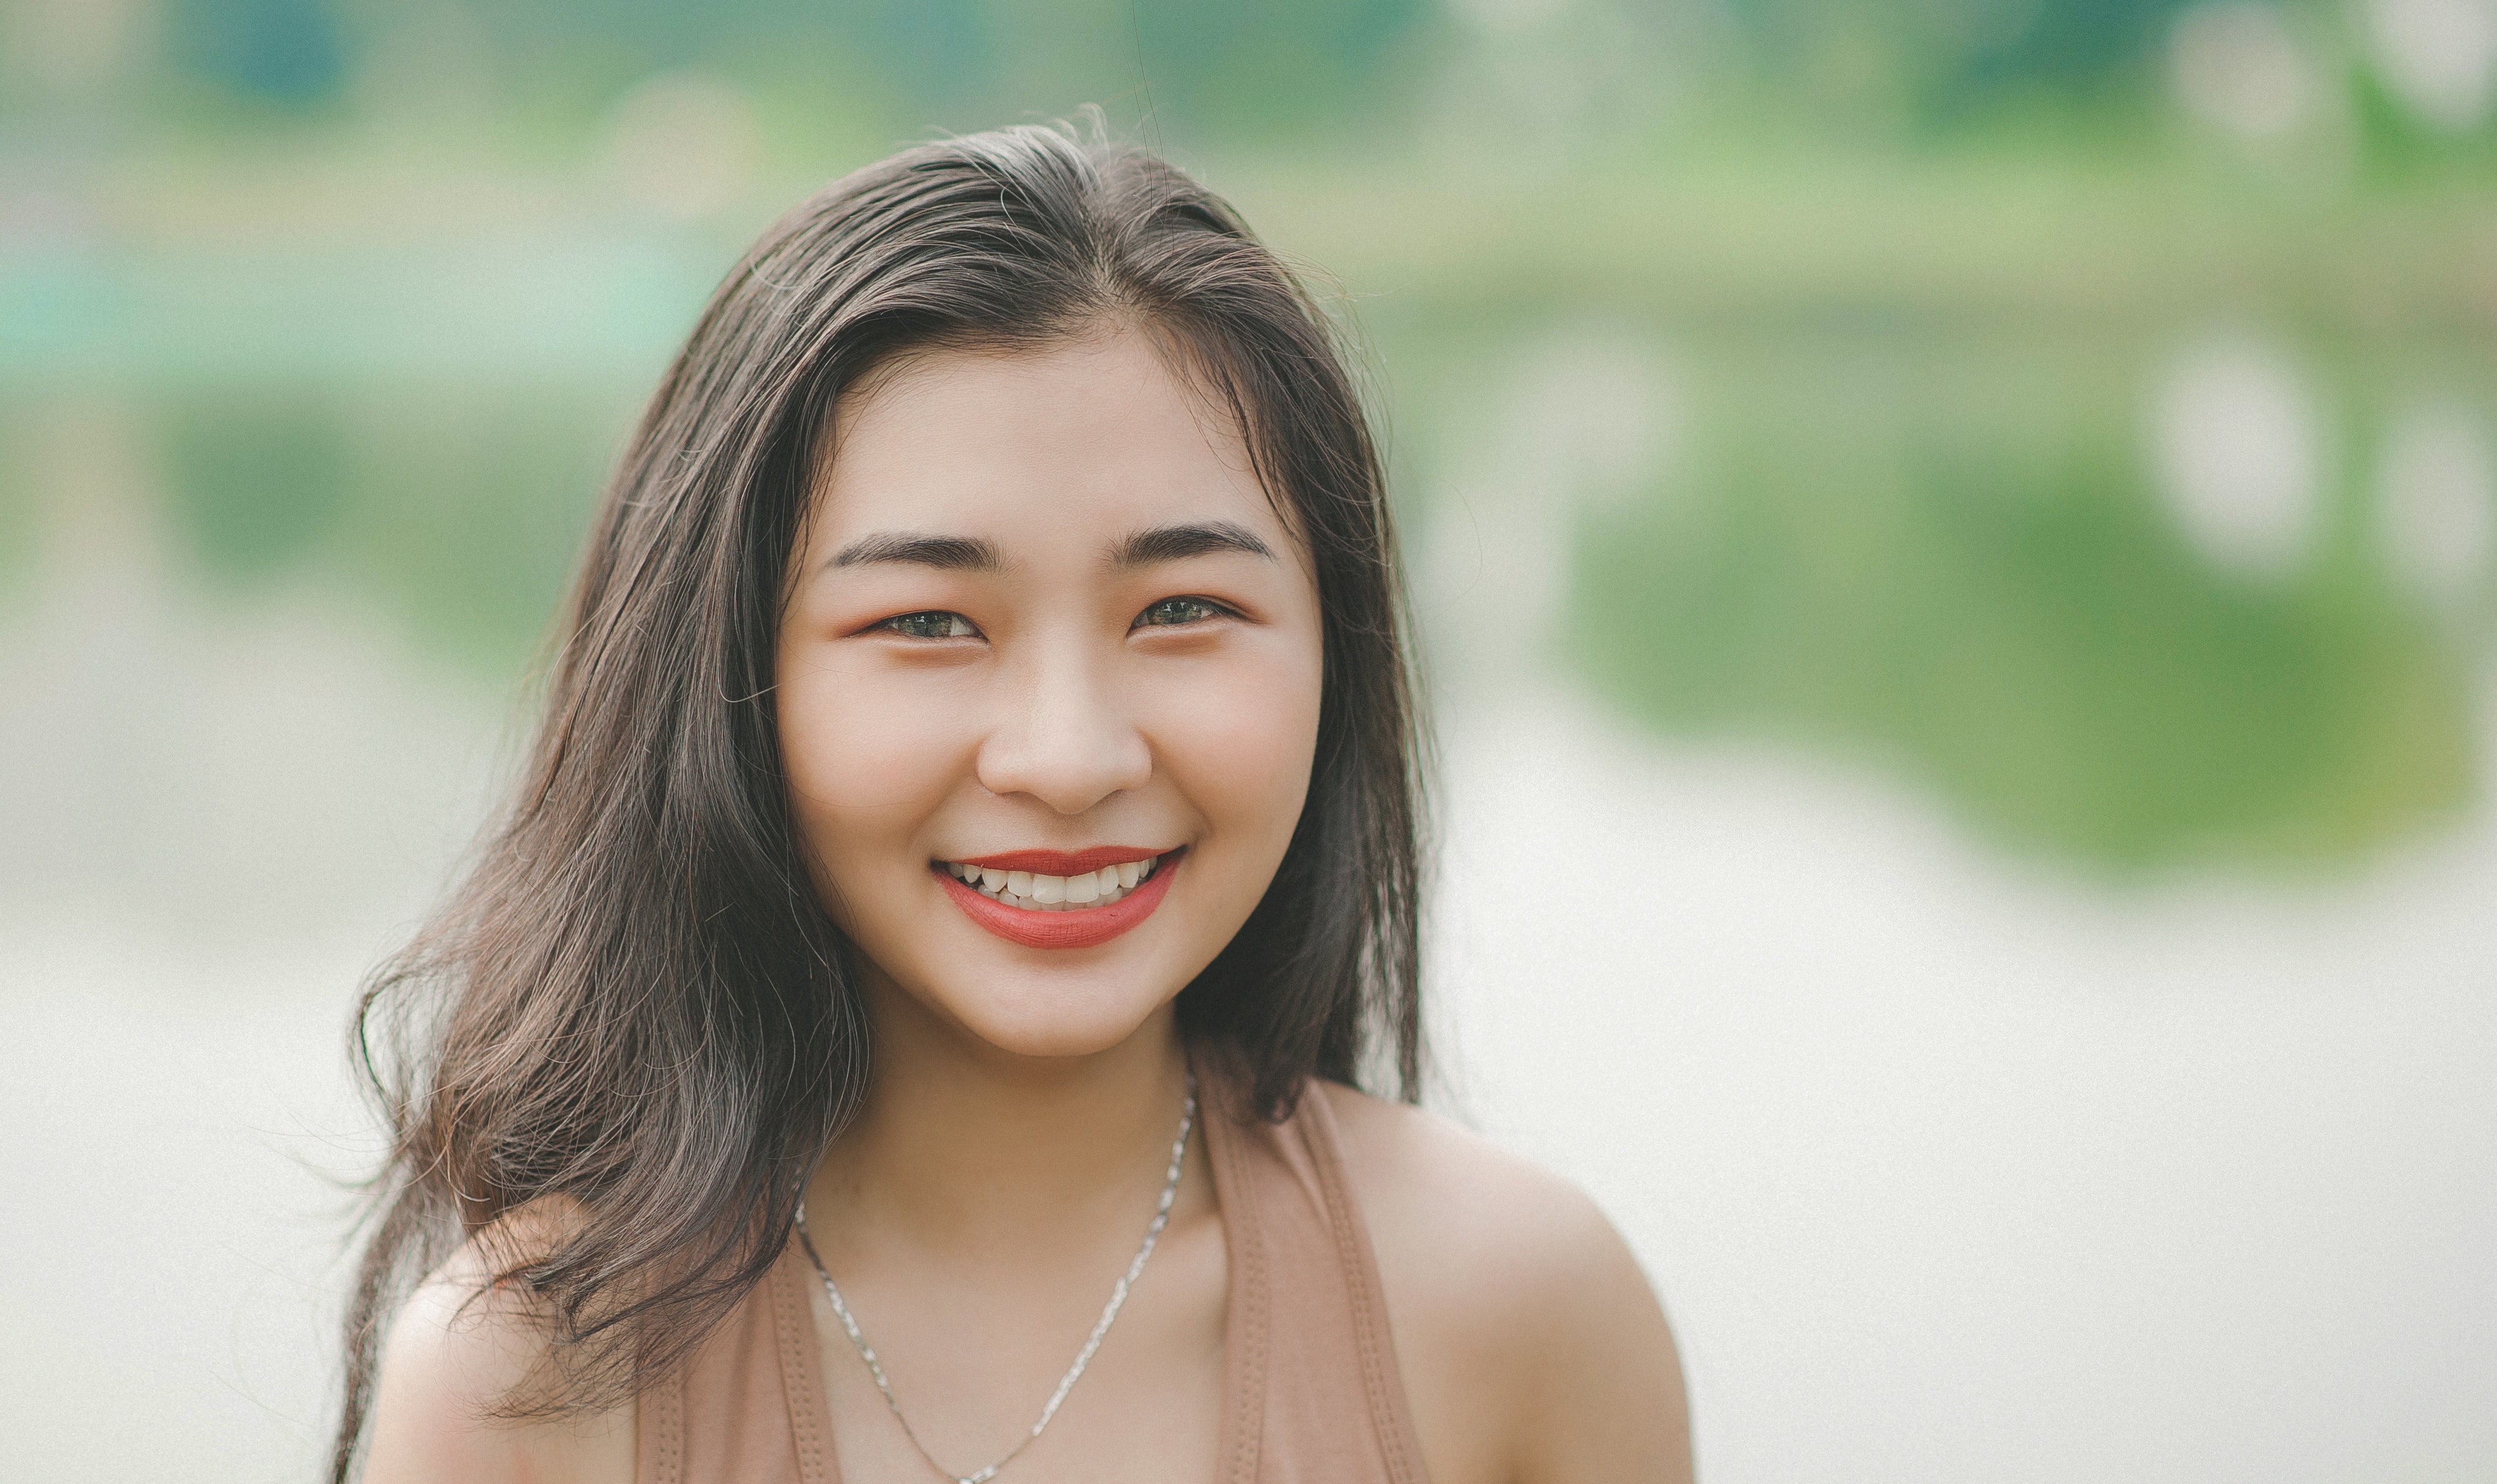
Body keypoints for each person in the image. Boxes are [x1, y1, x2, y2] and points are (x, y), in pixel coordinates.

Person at [340, 122, 1689, 1484]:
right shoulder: (529, 1384)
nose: (1065, 758)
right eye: (928, 620)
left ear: (1336, 649)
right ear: (728, 675)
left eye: (1181, 608)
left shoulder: (1523, 1313)